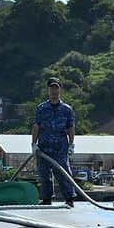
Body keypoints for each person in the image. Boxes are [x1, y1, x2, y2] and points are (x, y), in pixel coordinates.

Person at [31, 77, 76, 206]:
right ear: (48, 90)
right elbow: (36, 126)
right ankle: (46, 199)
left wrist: (72, 144)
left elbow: (70, 127)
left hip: (60, 148)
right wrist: (33, 144)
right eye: (51, 88)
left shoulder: (67, 109)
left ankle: (69, 198)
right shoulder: (41, 108)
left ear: (60, 89)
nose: (54, 91)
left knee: (63, 173)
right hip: (44, 148)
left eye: (56, 88)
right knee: (44, 175)